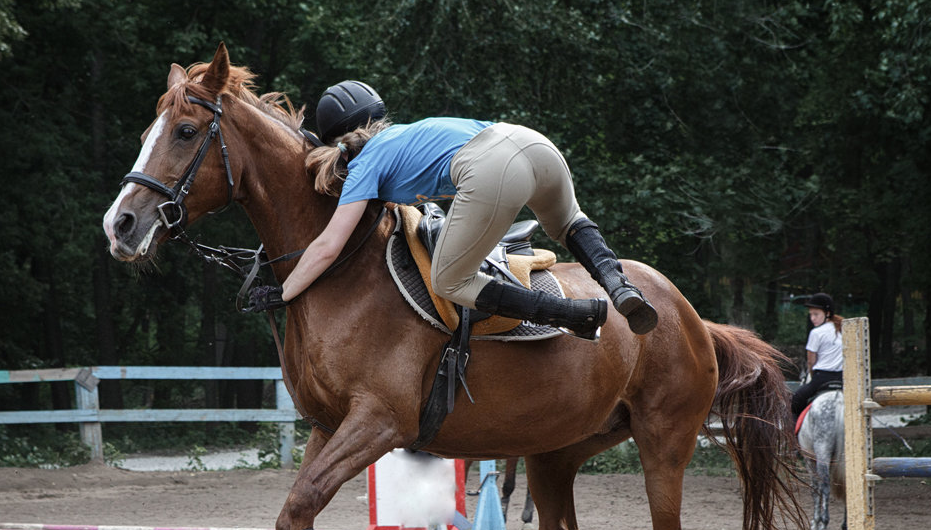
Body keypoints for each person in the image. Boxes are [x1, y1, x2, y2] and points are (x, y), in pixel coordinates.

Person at [250, 81, 657, 338]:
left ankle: (574, 315)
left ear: (334, 139)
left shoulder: (363, 164)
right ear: (377, 116)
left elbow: (327, 246)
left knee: (449, 280)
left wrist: (284, 292)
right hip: (529, 141)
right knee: (568, 221)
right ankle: (620, 286)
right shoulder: (405, 134)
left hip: (491, 168)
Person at [791, 292, 844, 416]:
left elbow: (811, 362)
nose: (812, 318)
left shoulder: (816, 333)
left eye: (816, 314)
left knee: (795, 402)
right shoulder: (844, 329)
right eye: (811, 315)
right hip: (844, 378)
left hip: (822, 378)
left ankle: (792, 435)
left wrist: (812, 374)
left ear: (828, 313)